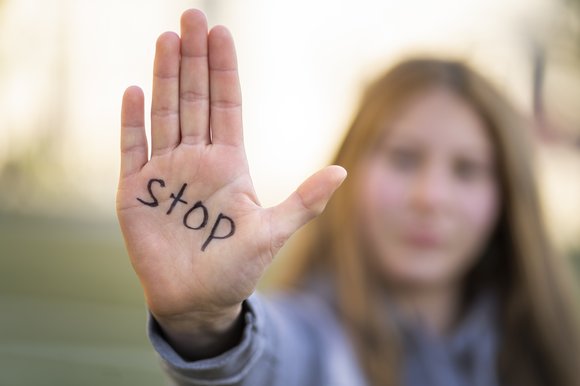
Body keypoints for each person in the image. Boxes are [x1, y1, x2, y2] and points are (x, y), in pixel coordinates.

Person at [116, 9, 580, 386]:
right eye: (403, 158)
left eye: (468, 170)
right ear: (350, 171)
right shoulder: (313, 342)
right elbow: (265, 360)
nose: (430, 197)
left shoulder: (554, 345)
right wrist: (207, 323)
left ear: (509, 198)